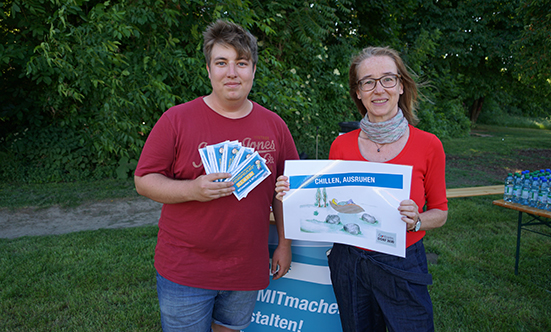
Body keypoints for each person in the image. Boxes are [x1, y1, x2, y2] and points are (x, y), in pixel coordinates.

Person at [134, 20, 299, 332]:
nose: (232, 72)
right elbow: (143, 180)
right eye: (221, 63)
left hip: (245, 268)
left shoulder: (275, 125)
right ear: (209, 70)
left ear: (253, 70)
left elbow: (286, 191)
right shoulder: (176, 120)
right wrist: (192, 189)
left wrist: (285, 244)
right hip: (185, 268)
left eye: (241, 63)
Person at [275, 46, 448, 331]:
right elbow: (329, 201)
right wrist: (293, 191)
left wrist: (417, 219)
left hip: (402, 263)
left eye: (387, 79)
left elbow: (440, 212)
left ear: (401, 86)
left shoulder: (429, 145)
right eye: (368, 81)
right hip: (350, 262)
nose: (378, 89)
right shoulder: (340, 145)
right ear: (358, 92)